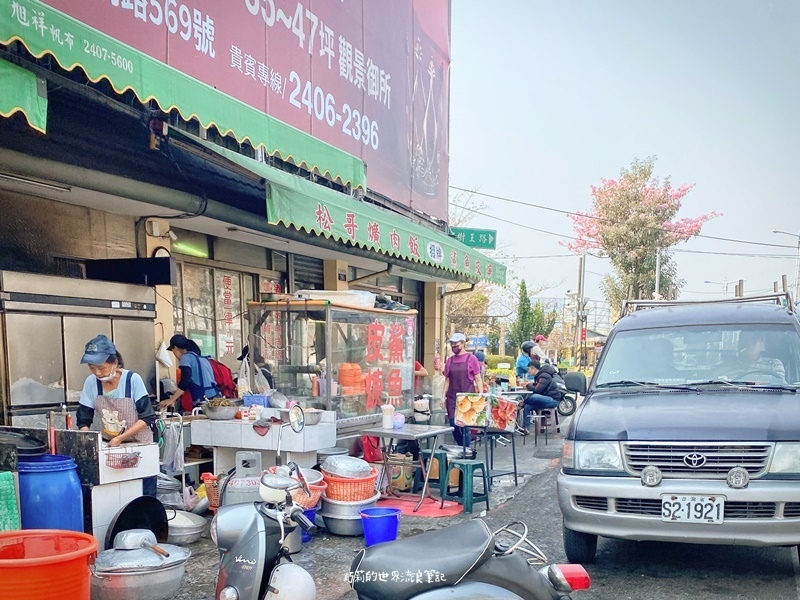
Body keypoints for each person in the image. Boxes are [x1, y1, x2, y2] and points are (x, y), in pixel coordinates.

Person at [76, 334, 157, 496]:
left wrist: (121, 437)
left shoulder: (132, 380)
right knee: (116, 493)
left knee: (143, 495)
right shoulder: (91, 383)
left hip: (140, 446)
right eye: (92, 368)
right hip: (111, 447)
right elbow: (84, 418)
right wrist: (88, 440)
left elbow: (147, 417)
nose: (97, 373)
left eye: (101, 368)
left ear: (115, 363)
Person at [442, 333, 483, 448]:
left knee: (465, 427)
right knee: (453, 425)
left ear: (463, 343)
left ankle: (466, 451)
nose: (454, 346)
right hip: (452, 398)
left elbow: (478, 379)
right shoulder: (449, 361)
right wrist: (443, 396)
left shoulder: (472, 359)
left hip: (467, 397)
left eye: (456, 343)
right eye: (452, 344)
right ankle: (462, 447)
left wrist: (480, 395)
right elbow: (447, 380)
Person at [159, 334, 220, 411]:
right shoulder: (202, 359)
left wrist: (172, 399)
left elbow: (185, 381)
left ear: (175, 348)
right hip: (216, 397)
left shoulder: (185, 358)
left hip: (204, 401)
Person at [520, 357, 561, 434]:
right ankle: (526, 428)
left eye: (529, 369)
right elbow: (538, 385)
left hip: (553, 400)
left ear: (533, 369)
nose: (528, 371)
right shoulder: (540, 376)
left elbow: (538, 390)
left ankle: (522, 404)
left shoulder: (544, 376)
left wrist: (528, 386)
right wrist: (530, 384)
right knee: (527, 406)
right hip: (545, 398)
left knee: (534, 397)